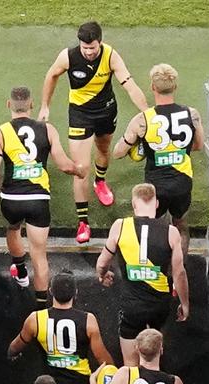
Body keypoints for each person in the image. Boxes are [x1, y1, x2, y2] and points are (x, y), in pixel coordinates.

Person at [38, 20, 149, 245]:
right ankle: (83, 222)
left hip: (107, 111)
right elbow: (52, 76)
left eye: (93, 48)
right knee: (80, 169)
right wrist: (44, 106)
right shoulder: (68, 56)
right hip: (80, 115)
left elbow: (129, 84)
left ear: (100, 42)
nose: (89, 52)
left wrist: (148, 113)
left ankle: (100, 181)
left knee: (103, 149)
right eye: (85, 48)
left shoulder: (110, 56)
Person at [0, 86, 85, 308]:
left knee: (13, 228)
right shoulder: (47, 130)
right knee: (39, 256)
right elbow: (64, 165)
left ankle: (20, 271)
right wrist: (80, 171)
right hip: (38, 200)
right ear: (31, 105)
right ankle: (42, 309)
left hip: (11, 199)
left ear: (9, 104)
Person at [94, 183, 189, 367]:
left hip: (131, 307)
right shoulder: (171, 232)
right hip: (159, 305)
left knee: (130, 364)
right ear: (156, 204)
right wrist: (185, 304)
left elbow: (102, 263)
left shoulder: (120, 226)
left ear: (133, 204)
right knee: (153, 358)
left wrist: (103, 275)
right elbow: (180, 273)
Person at [113, 63, 205, 249]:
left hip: (156, 188)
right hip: (182, 183)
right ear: (175, 87)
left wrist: (138, 144)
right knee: (180, 225)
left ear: (152, 87)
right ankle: (179, 267)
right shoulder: (191, 114)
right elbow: (198, 145)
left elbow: (118, 153)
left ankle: (157, 266)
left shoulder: (143, 120)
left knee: (153, 229)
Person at [7, 270, 115, 384]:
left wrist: (11, 354)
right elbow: (102, 358)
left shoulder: (36, 319)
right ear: (75, 293)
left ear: (51, 292)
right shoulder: (88, 320)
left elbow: (15, 346)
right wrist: (115, 374)